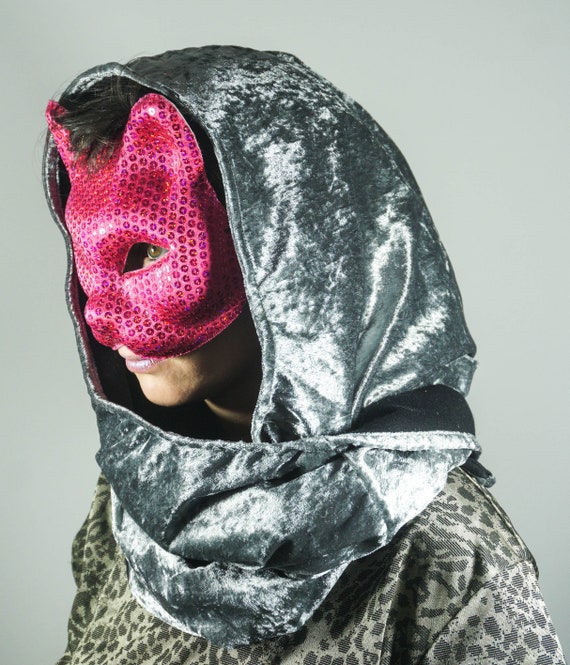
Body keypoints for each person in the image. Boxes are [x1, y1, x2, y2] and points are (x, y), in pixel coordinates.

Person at [43, 46, 566, 664]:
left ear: (293, 248)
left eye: (147, 252)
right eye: (88, 260)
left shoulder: (446, 559)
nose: (101, 317)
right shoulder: (133, 510)